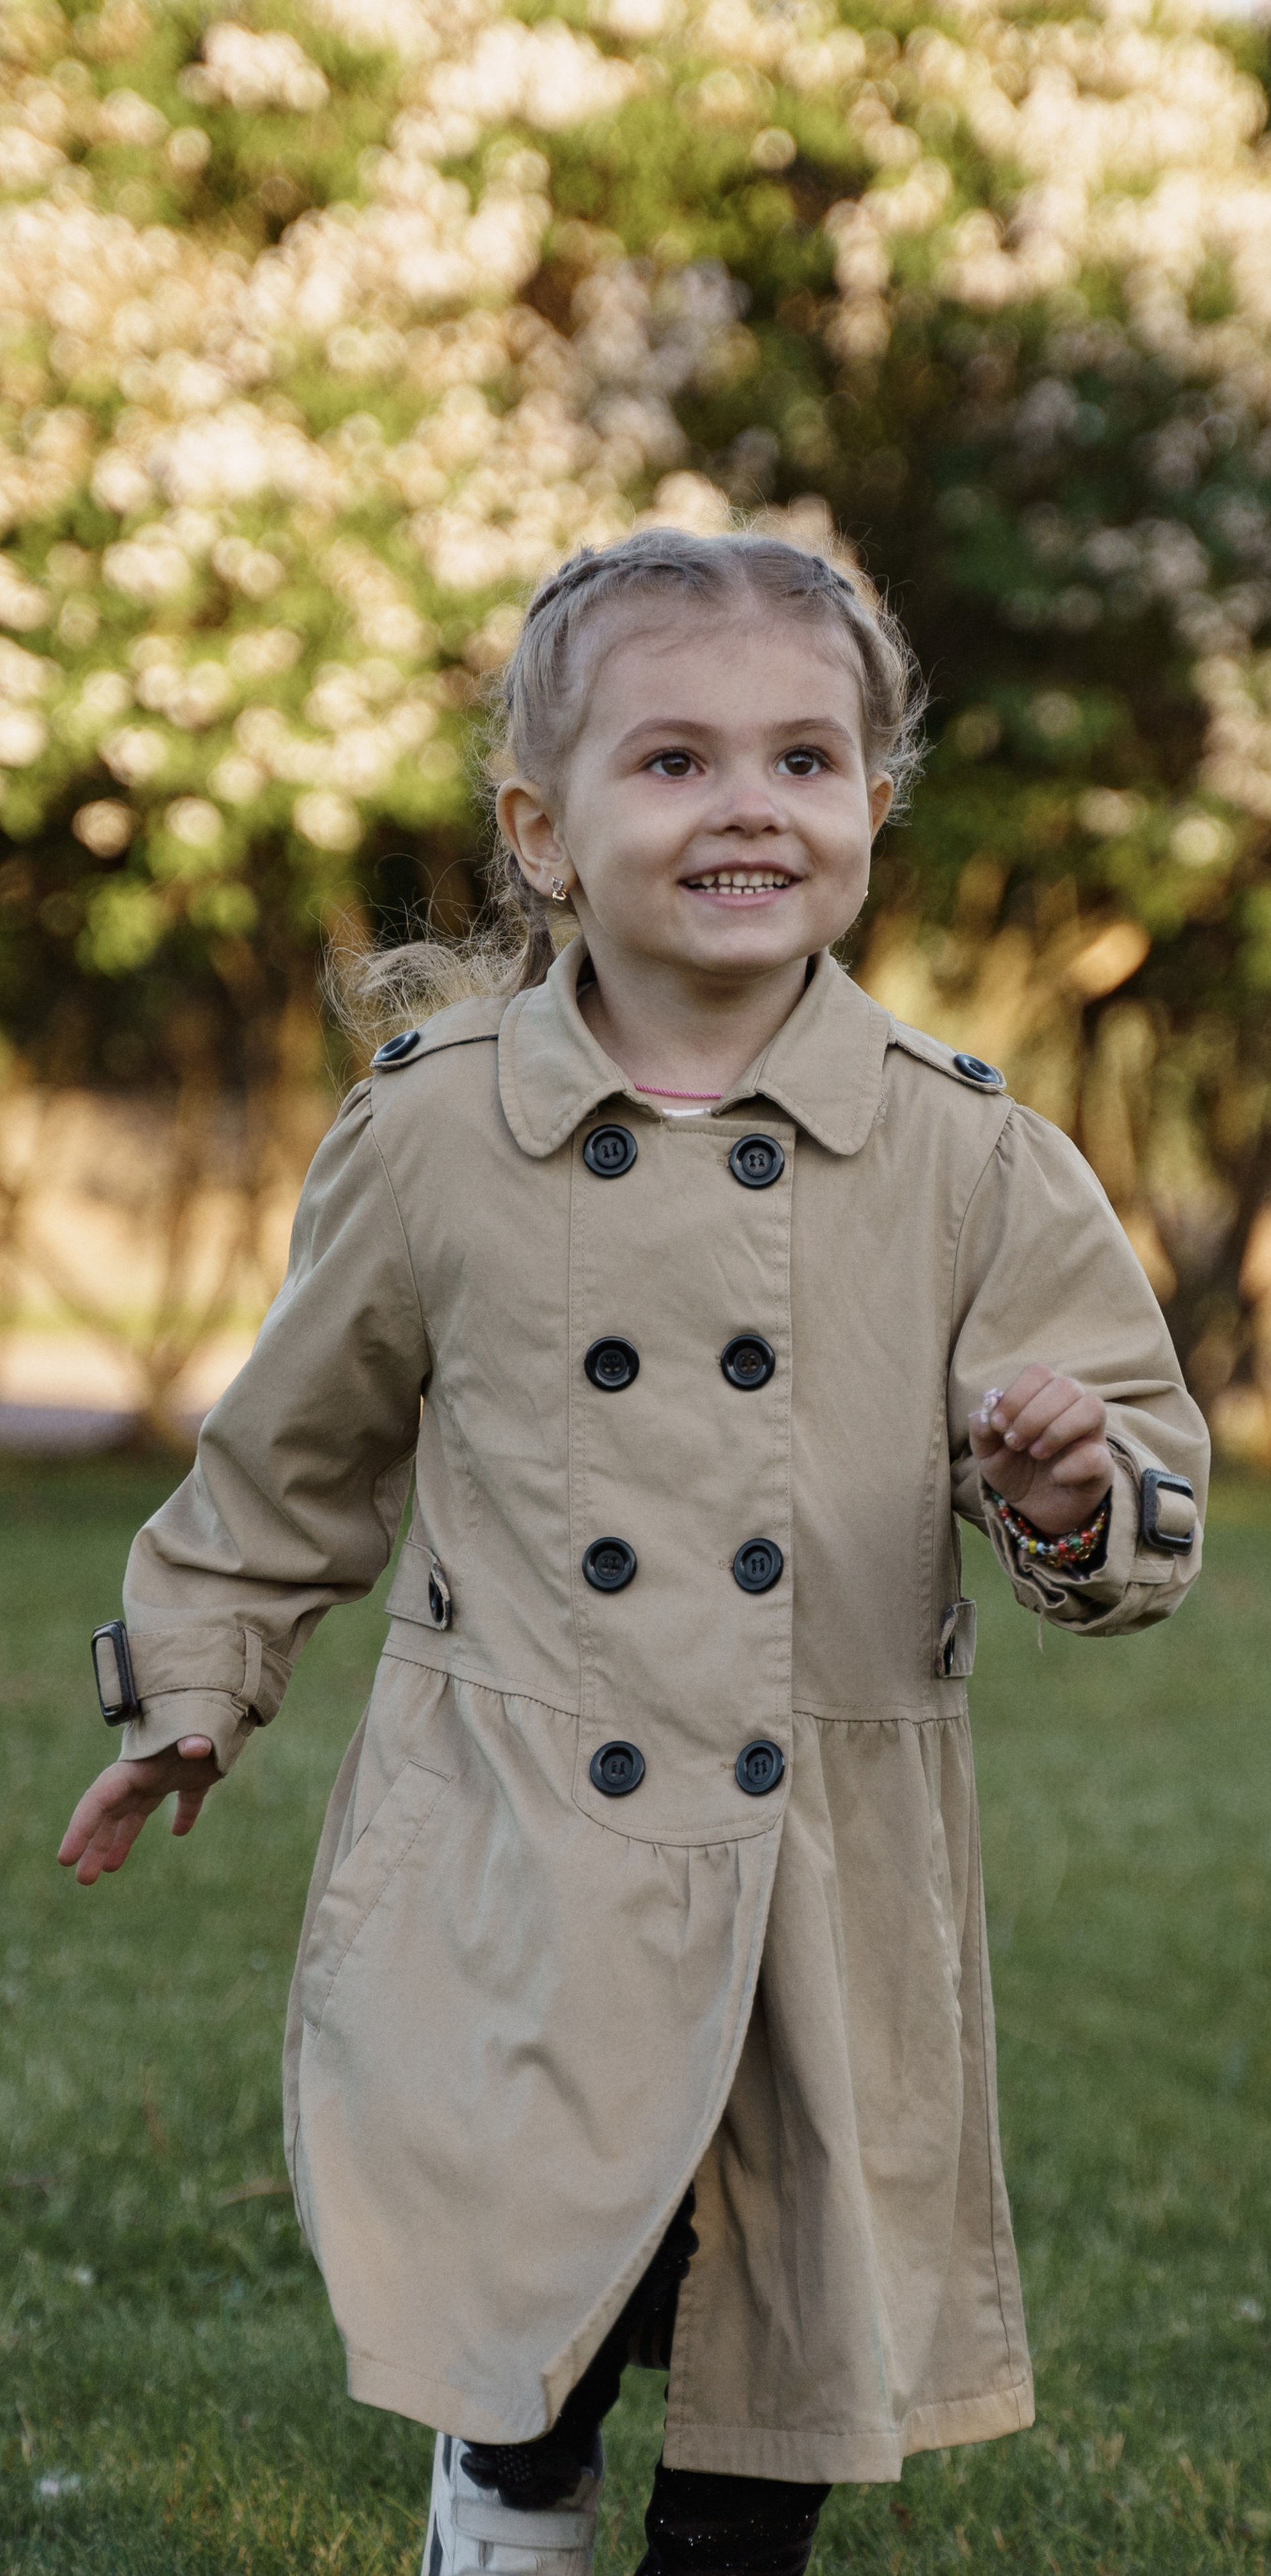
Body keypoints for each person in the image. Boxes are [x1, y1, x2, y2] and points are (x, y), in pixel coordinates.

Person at [59, 529, 1209, 2576]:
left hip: (817, 1870)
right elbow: (286, 1462)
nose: (747, 805)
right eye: (673, 762)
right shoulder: (435, 1134)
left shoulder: (968, 1152)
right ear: (546, 828)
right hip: (523, 1840)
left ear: (871, 803)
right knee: (535, 2317)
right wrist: (193, 1691)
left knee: (778, 2375)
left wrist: (1067, 1488)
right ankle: (500, 2513)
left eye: (802, 759)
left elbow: (1135, 1476)